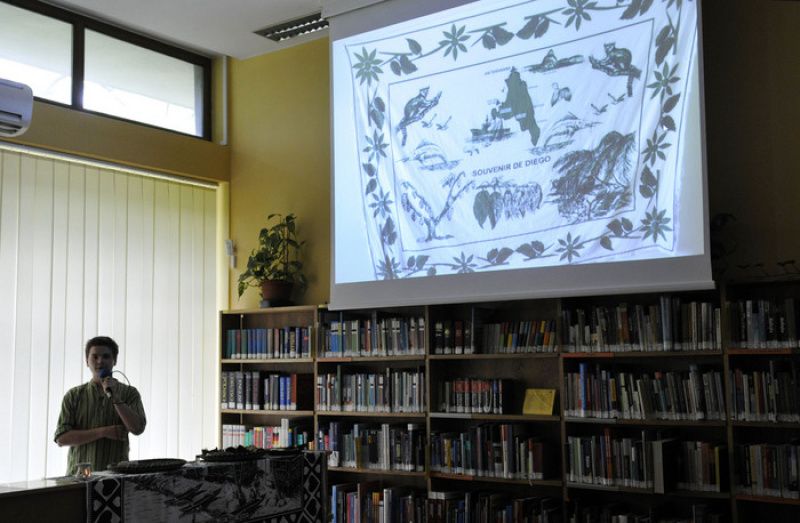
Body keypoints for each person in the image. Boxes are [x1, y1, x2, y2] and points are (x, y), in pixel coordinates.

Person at [54, 336, 146, 474]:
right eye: (95, 357)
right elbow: (62, 438)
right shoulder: (73, 396)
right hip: (80, 478)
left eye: (106, 356)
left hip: (116, 477)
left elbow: (137, 428)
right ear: (87, 361)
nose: (100, 361)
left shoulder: (129, 393)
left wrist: (115, 396)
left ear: (114, 360)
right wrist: (103, 432)